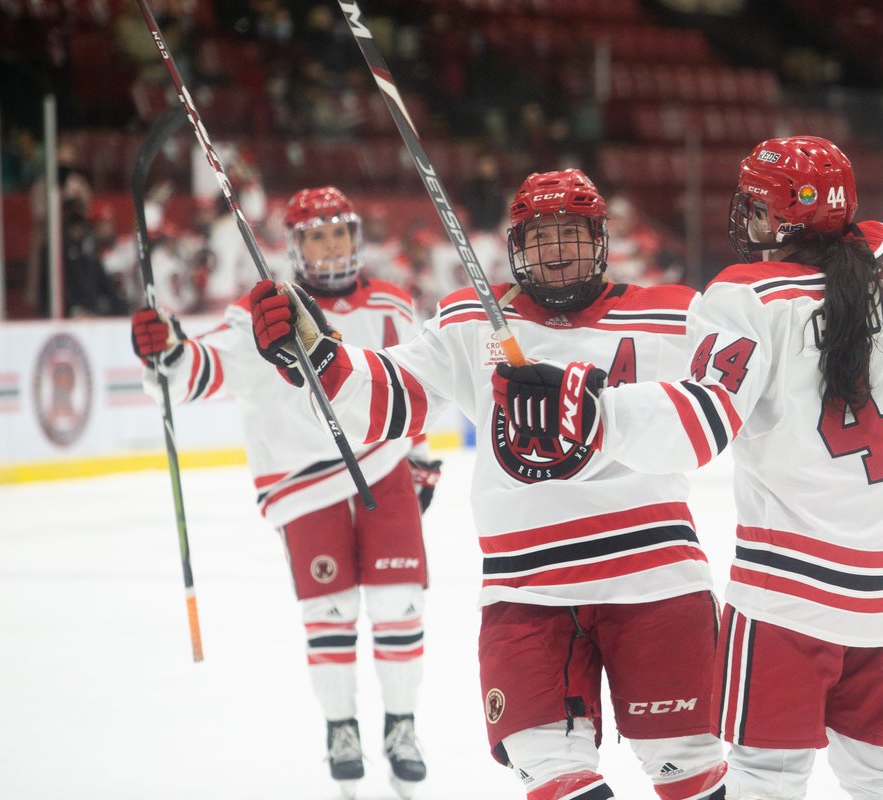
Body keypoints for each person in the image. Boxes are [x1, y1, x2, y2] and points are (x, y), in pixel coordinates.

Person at [490, 119, 883, 799]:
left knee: (765, 778)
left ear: (784, 218)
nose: (747, 219)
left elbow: (697, 426)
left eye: (757, 206)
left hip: (795, 591)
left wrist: (586, 408)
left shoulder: (750, 297)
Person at [248, 169, 728, 800]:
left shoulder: (675, 315)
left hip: (656, 580)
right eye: (541, 237)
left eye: (572, 236)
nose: (557, 253)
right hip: (526, 588)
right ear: (515, 246)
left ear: (602, 241)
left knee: (687, 771)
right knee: (552, 774)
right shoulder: (473, 319)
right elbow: (389, 402)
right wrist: (318, 358)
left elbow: (718, 420)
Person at [130, 186, 438, 800]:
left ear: (356, 237)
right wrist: (167, 350)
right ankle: (341, 729)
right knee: (330, 611)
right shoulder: (260, 311)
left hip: (383, 468)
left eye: (339, 232)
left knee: (400, 601)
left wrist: (423, 461)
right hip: (302, 486)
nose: (330, 246)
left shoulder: (394, 304)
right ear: (295, 246)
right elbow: (204, 368)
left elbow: (417, 382)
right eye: (316, 235)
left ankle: (402, 726)